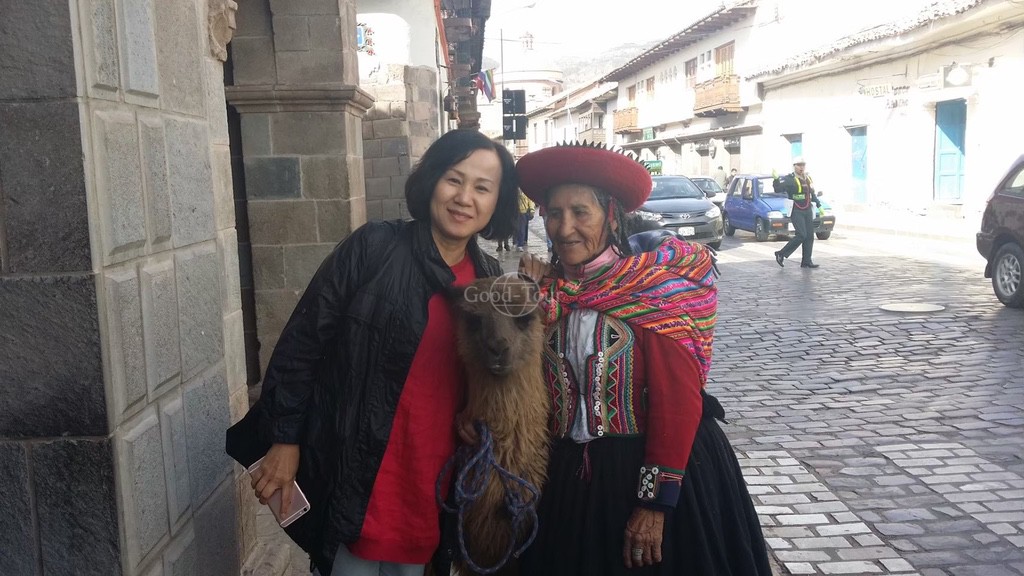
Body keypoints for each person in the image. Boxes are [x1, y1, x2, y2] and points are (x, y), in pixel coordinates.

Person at [227, 129, 519, 576]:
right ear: (432, 181)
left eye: (482, 188)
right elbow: (302, 344)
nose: (464, 198)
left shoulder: (489, 281)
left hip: (431, 483)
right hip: (356, 475)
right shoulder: (374, 248)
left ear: (497, 201)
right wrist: (284, 439)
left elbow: (492, 383)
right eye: (453, 179)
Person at [508, 142, 771, 575]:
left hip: (651, 471)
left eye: (580, 212)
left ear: (611, 216)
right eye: (554, 213)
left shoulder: (654, 291)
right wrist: (526, 297)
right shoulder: (549, 296)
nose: (565, 227)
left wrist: (655, 504)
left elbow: (678, 402)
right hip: (568, 484)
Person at [773, 156, 822, 268]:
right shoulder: (789, 179)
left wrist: (819, 205)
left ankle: (806, 261)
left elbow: (812, 194)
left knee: (809, 236)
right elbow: (778, 189)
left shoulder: (807, 178)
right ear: (794, 166)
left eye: (803, 165)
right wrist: (776, 179)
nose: (801, 167)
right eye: (799, 165)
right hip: (796, 210)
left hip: (807, 209)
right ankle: (781, 254)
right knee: (801, 234)